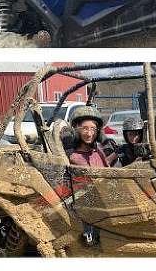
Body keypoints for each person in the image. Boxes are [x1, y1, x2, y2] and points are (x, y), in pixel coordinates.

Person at [66, 105, 107, 246]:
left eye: (93, 129)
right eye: (85, 128)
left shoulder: (98, 151)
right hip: (87, 210)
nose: (89, 134)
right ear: (76, 130)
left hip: (104, 202)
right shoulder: (74, 157)